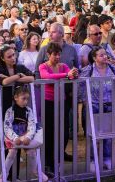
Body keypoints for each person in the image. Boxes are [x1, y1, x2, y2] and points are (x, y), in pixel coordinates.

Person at [38, 43, 78, 173]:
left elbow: (71, 75)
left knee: (64, 132)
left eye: (59, 54)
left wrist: (74, 74)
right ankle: (48, 162)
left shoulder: (63, 66)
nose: (57, 57)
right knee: (49, 133)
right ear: (48, 55)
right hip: (48, 103)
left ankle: (58, 159)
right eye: (55, 54)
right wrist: (67, 75)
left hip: (62, 102)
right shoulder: (43, 66)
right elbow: (46, 77)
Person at [78, 46, 115, 171]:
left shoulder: (112, 68)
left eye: (105, 54)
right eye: (101, 55)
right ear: (94, 58)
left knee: (108, 134)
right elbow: (81, 85)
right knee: (93, 134)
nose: (105, 57)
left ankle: (107, 158)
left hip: (109, 105)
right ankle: (93, 159)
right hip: (94, 106)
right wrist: (85, 100)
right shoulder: (88, 70)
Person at [0, 85, 48, 182]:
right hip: (13, 137)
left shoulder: (29, 110)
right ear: (16, 98)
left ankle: (37, 172)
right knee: (11, 152)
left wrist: (28, 137)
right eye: (23, 99)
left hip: (25, 136)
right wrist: (15, 137)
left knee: (32, 152)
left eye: (27, 99)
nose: (25, 101)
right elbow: (7, 127)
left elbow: (32, 125)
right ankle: (3, 176)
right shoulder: (10, 111)